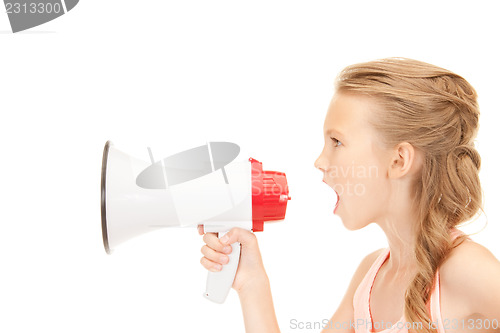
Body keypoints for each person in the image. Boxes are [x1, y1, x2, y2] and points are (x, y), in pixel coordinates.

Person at [198, 58, 500, 333]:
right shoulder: (370, 277)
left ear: (399, 161)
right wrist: (252, 284)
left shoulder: (468, 271)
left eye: (337, 142)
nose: (320, 161)